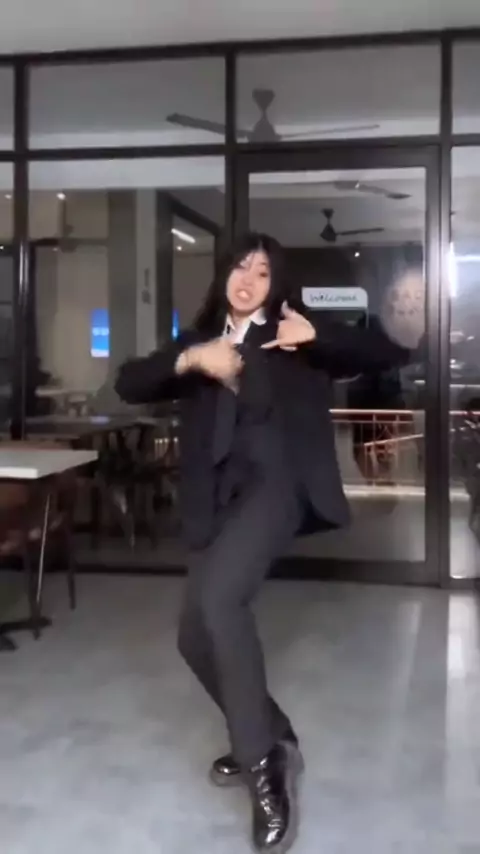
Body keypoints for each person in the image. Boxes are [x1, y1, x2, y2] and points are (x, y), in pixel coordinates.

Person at [115, 233, 420, 854]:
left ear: (275, 283)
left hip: (279, 487)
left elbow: (385, 351)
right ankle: (273, 734)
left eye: (261, 271)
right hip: (217, 503)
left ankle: (262, 768)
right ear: (224, 276)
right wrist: (191, 360)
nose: (249, 280)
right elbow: (128, 382)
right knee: (193, 637)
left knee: (221, 601)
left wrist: (318, 336)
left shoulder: (293, 334)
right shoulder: (200, 343)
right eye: (240, 268)